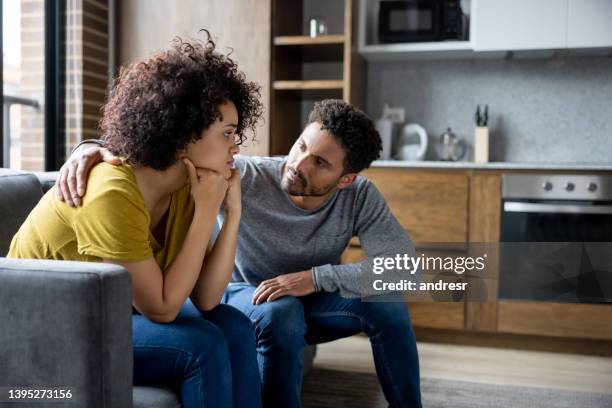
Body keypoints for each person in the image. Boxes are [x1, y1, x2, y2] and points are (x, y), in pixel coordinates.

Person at [59, 99, 422, 408]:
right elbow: (155, 150)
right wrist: (88, 148)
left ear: (346, 179)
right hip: (245, 297)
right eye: (301, 147)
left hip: (314, 297)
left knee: (386, 303)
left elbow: (404, 267)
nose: (299, 164)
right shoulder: (247, 175)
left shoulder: (360, 196)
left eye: (321, 164)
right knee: (282, 312)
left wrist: (314, 278)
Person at [7, 34, 264, 408]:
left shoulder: (186, 189)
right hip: (43, 329)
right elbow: (162, 308)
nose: (236, 146)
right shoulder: (111, 190)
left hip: (105, 314)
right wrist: (207, 212)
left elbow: (207, 298)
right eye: (226, 133)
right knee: (201, 345)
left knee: (236, 327)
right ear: (181, 134)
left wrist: (232, 214)